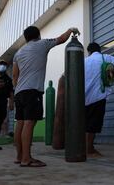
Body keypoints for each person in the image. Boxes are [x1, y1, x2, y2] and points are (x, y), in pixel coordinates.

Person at [13, 26, 80, 167]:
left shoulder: (18, 53)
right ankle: (26, 159)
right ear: (38, 35)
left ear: (26, 38)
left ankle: (20, 157)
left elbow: (15, 76)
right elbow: (61, 39)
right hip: (32, 91)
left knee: (20, 123)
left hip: (19, 92)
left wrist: (16, 91)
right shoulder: (42, 44)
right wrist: (70, 30)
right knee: (29, 123)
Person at [84, 42, 114, 157]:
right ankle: (90, 149)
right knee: (93, 124)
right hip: (99, 96)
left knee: (86, 123)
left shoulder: (84, 62)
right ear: (99, 50)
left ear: (89, 51)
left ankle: (86, 147)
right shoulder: (104, 57)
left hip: (85, 98)